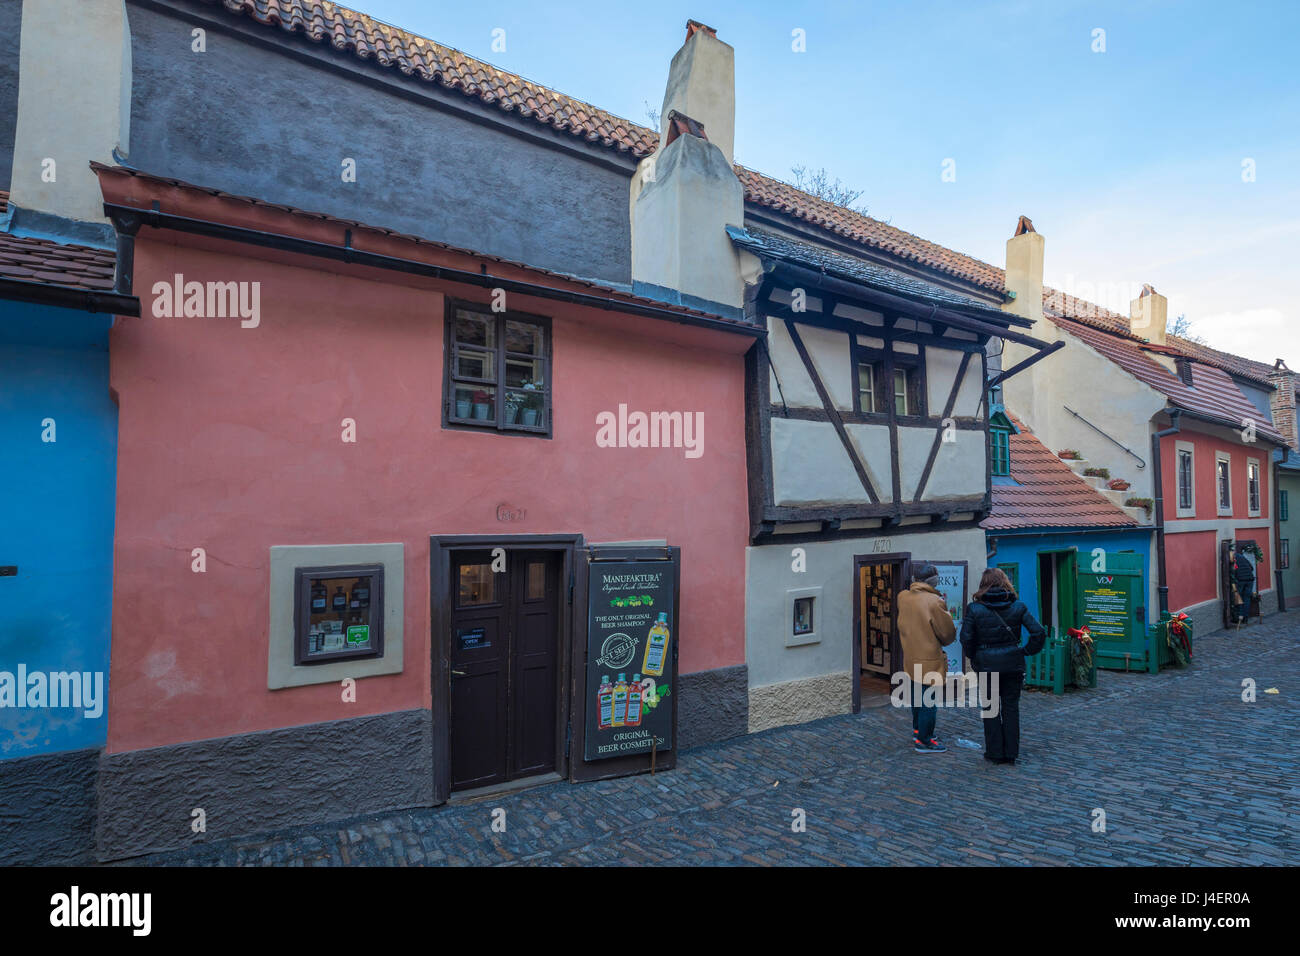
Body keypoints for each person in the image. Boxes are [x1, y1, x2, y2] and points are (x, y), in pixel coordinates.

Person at [959, 568, 1046, 766]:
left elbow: (966, 638)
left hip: (987, 664)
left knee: (991, 708)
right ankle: (1011, 752)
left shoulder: (975, 609)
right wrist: (1025, 651)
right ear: (1005, 582)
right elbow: (1038, 632)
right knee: (1010, 708)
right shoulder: (1017, 606)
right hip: (1012, 664)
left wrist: (975, 655)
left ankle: (995, 752)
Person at [897, 562, 957, 753]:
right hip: (929, 659)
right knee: (928, 702)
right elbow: (947, 634)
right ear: (934, 581)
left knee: (916, 697)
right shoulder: (934, 601)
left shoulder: (903, 597)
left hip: (910, 656)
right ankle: (925, 740)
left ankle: (917, 731)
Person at [1232, 549, 1256, 624]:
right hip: (1250, 580)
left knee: (1239, 599)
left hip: (1241, 580)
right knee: (1247, 599)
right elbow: (1251, 567)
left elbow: (1234, 570)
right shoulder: (1242, 557)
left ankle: (1239, 618)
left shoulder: (1233, 559)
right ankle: (1245, 618)